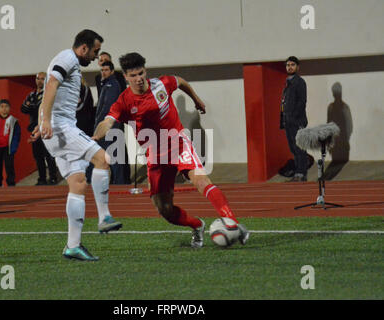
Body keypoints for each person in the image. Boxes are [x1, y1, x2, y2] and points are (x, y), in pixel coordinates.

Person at [92, 52, 250, 248]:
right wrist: (98, 135)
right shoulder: (123, 101)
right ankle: (197, 225)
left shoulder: (162, 84)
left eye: (141, 73)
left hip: (178, 142)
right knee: (164, 209)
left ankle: (233, 224)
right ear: (125, 77)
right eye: (133, 76)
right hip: (155, 154)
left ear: (145, 71)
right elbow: (107, 122)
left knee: (201, 180)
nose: (138, 78)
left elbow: (180, 81)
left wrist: (196, 99)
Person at [30, 29, 122, 262]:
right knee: (102, 158)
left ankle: (73, 246)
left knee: (78, 184)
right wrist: (48, 120)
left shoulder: (69, 61)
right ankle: (104, 218)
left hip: (56, 129)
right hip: (61, 128)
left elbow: (52, 92)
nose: (96, 56)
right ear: (83, 48)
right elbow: (50, 84)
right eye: (95, 51)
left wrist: (42, 121)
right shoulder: (68, 58)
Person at [90, 60, 131, 184]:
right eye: (102, 70)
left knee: (114, 159)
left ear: (112, 71)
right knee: (113, 158)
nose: (104, 72)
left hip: (109, 128)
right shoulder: (106, 84)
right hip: (108, 127)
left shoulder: (112, 85)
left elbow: (108, 108)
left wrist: (100, 126)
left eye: (106, 70)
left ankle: (119, 184)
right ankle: (118, 182)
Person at [21, 72, 58, 185]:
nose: (40, 81)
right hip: (33, 129)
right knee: (38, 156)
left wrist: (31, 106)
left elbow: (39, 107)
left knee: (49, 154)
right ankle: (42, 178)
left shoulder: (48, 94)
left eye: (42, 79)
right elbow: (23, 108)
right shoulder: (31, 95)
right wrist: (33, 106)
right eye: (38, 78)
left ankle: (53, 177)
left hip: (46, 128)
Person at [280, 56, 309, 182]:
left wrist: (294, 117)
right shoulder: (288, 83)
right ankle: (298, 171)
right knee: (293, 148)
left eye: (292, 64)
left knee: (299, 147)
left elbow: (302, 102)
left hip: (296, 122)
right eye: (288, 65)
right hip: (288, 122)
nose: (289, 67)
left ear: (297, 67)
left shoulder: (299, 82)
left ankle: (301, 173)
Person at [0, 99, 21, 187]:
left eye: (6, 107)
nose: (4, 109)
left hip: (8, 148)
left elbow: (17, 135)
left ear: (9, 108)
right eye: (2, 107)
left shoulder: (13, 121)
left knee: (9, 166)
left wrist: (14, 147)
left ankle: (11, 183)